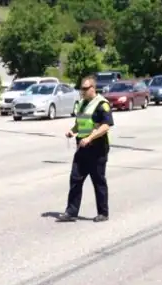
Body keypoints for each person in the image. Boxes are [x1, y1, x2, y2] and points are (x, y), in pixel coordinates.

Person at [57, 74, 114, 223]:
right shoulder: (82, 104)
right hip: (82, 149)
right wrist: (72, 131)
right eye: (81, 89)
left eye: (85, 89)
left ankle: (103, 212)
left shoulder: (102, 104)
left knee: (98, 181)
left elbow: (106, 125)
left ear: (93, 88)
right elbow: (80, 123)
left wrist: (90, 138)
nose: (82, 91)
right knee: (75, 179)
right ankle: (71, 212)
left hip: (98, 149)